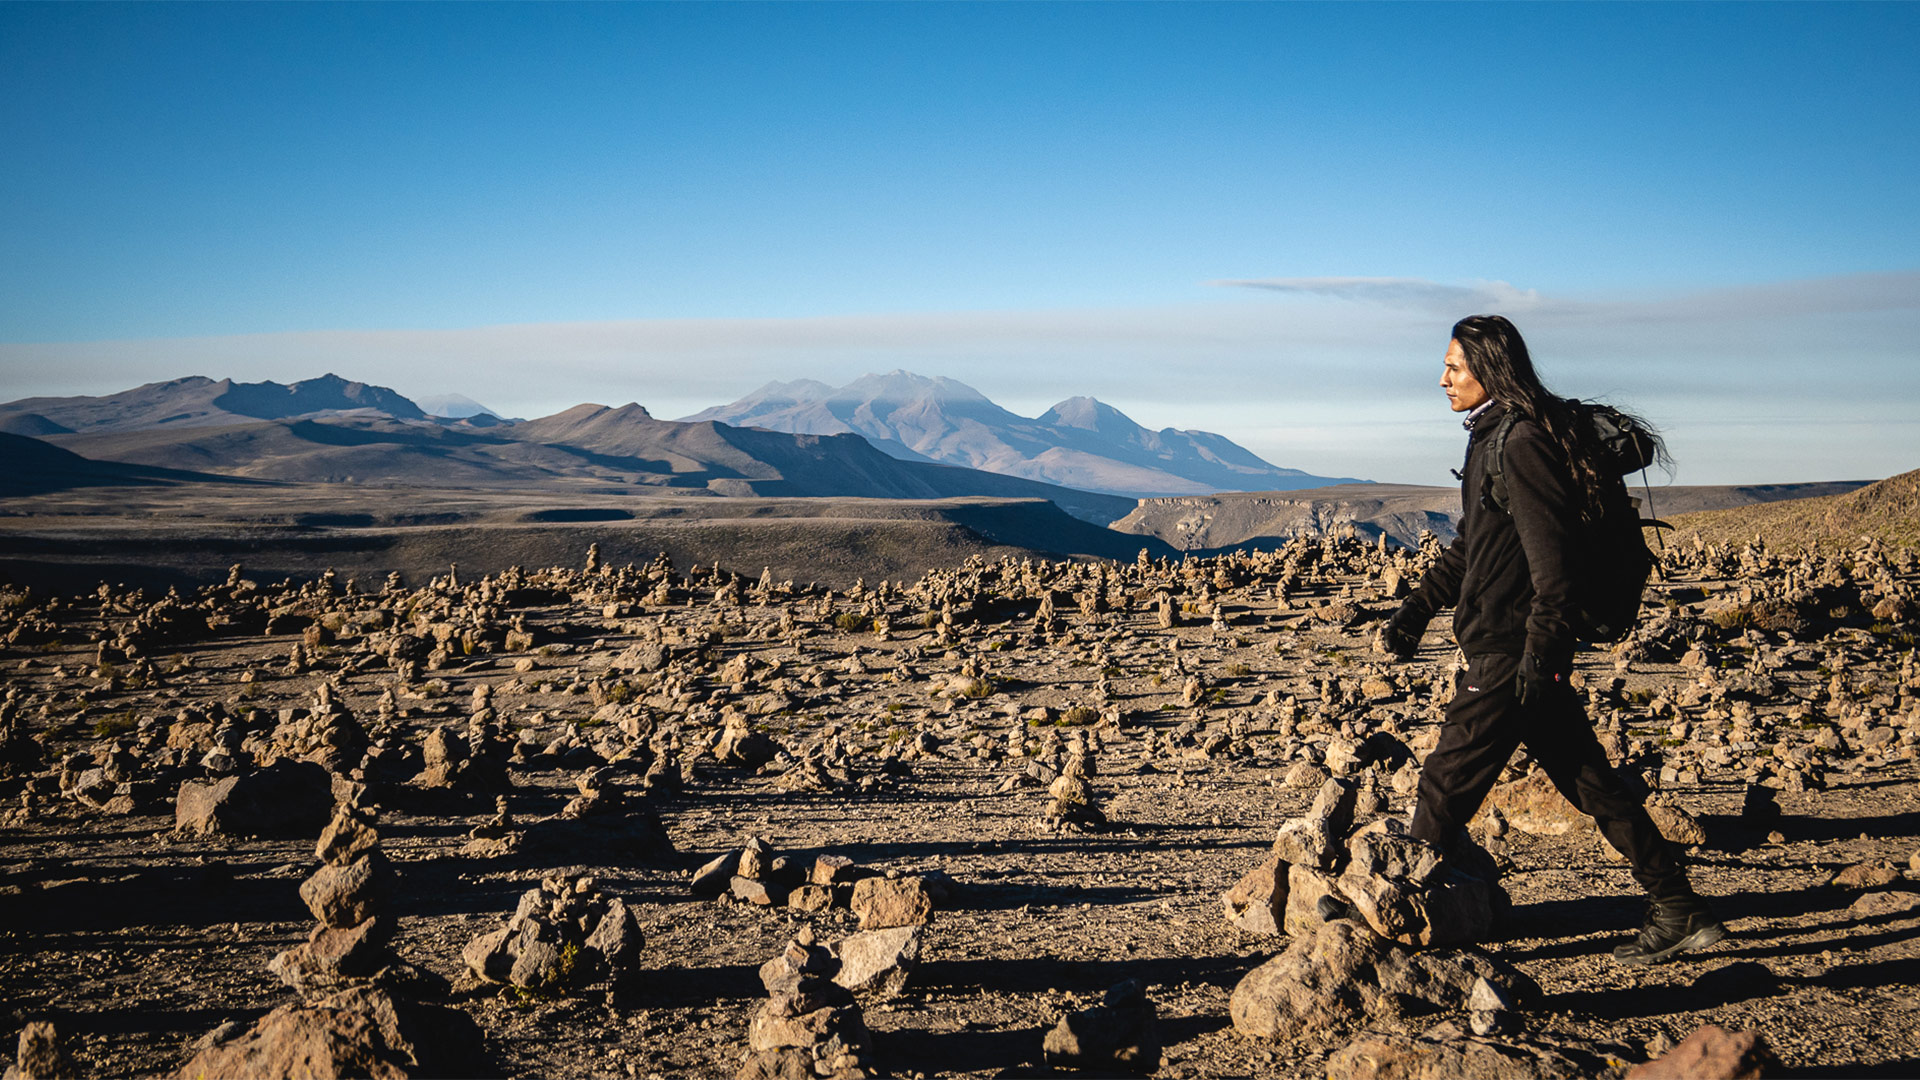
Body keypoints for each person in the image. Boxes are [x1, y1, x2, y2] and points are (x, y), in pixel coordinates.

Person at [1378, 314, 1725, 966]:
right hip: (1514, 649)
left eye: (1454, 366)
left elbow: (1553, 564)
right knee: (1590, 781)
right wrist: (1415, 610)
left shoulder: (1522, 444)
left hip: (1513, 649)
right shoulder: (1491, 438)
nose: (1442, 378)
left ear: (1490, 369)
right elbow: (1473, 549)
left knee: (1444, 784)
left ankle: (1396, 922)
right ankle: (1678, 905)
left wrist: (1541, 655)